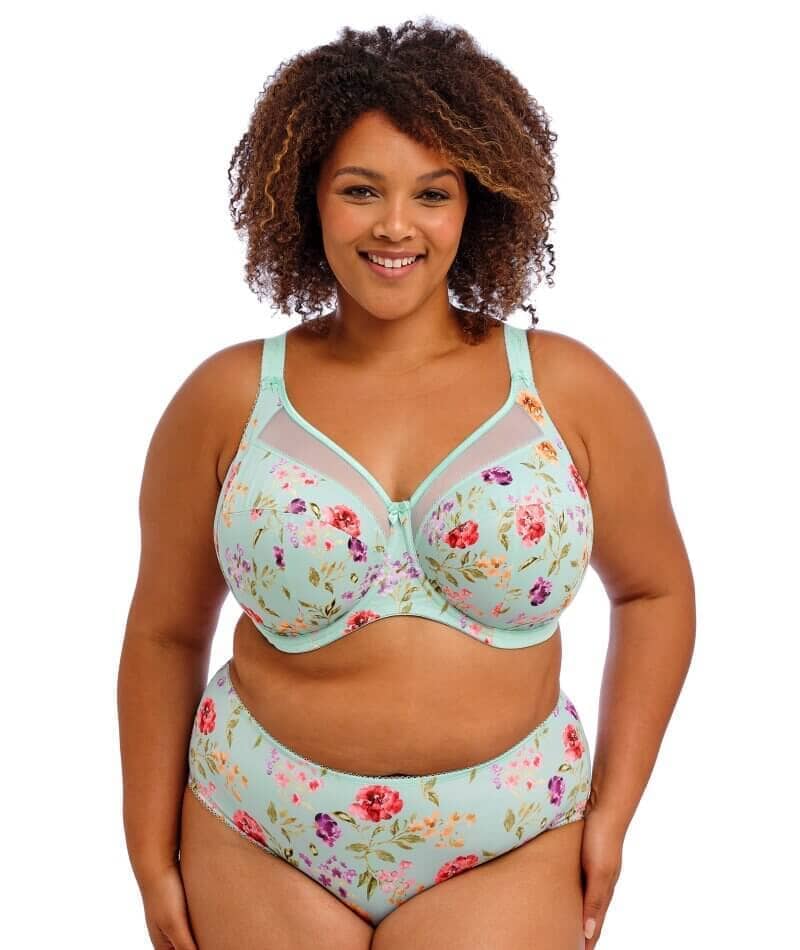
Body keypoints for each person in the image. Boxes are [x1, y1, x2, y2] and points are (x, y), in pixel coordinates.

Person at [117, 18, 695, 950]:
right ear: (306, 198)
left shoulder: (567, 388)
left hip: (512, 838)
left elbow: (657, 591)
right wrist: (149, 855)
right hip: (258, 829)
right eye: (361, 190)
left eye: (433, 193)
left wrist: (615, 814)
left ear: (478, 205)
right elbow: (164, 631)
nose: (396, 226)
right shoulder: (227, 398)